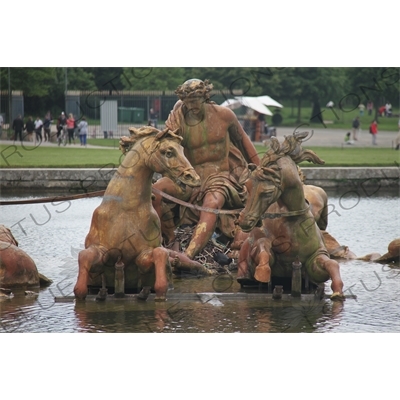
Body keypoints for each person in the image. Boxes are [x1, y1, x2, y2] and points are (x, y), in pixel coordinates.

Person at [152, 78, 260, 260]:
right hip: (188, 178)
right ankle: (169, 241)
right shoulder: (179, 118)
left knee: (211, 202)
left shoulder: (224, 116)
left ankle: (188, 255)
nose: (192, 107)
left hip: (220, 176)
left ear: (205, 97)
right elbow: (166, 148)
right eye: (187, 103)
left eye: (195, 102)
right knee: (155, 192)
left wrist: (262, 171)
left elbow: (245, 145)